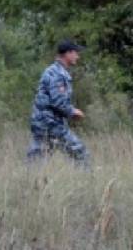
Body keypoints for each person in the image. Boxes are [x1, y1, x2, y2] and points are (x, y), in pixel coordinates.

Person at [26, 40, 91, 169]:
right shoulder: (57, 74)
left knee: (37, 158)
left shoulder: (53, 71)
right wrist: (72, 111)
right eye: (75, 53)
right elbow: (57, 100)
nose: (78, 56)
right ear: (67, 53)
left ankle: (29, 182)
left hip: (42, 121)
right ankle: (86, 180)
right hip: (50, 123)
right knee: (80, 152)